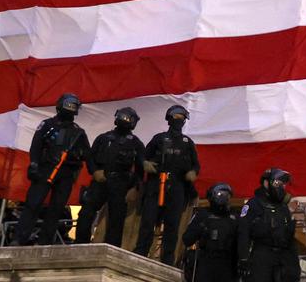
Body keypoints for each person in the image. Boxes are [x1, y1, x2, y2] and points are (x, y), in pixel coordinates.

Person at [14, 92, 90, 245]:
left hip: (66, 173)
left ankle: (45, 242)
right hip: (45, 169)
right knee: (33, 204)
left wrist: (75, 155)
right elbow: (36, 145)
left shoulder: (78, 132)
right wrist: (34, 164)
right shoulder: (47, 125)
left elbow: (87, 154)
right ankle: (19, 239)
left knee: (56, 209)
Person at [135, 104, 201, 266]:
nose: (179, 120)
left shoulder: (187, 142)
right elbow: (142, 156)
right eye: (176, 116)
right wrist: (145, 164)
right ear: (169, 118)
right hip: (156, 185)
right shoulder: (158, 138)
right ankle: (140, 255)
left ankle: (167, 261)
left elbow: (196, 165)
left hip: (177, 187)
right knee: (148, 223)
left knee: (172, 226)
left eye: (182, 117)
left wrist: (193, 173)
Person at [75, 106, 146, 247]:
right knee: (86, 213)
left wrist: (134, 188)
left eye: (128, 118)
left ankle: (110, 249)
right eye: (122, 116)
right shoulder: (103, 138)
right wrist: (95, 171)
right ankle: (80, 244)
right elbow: (90, 157)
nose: (124, 120)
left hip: (121, 184)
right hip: (100, 180)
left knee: (116, 219)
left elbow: (140, 169)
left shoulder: (136, 143)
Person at [238, 167, 299, 282]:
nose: (281, 187)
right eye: (277, 183)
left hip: (283, 257)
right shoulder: (253, 205)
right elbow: (243, 232)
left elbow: (289, 237)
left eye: (283, 184)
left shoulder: (283, 207)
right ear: (266, 183)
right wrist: (243, 258)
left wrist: (293, 266)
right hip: (262, 257)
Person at [184, 182, 239, 282]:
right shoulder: (203, 215)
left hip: (227, 263)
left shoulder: (234, 217)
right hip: (207, 260)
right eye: (220, 195)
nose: (224, 198)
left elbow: (241, 242)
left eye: (226, 195)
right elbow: (187, 239)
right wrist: (202, 227)